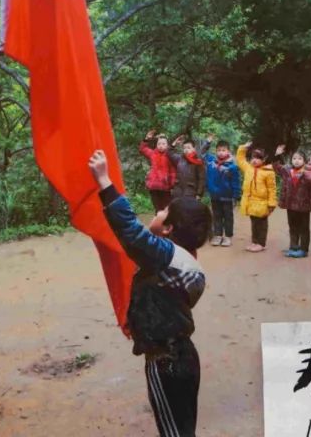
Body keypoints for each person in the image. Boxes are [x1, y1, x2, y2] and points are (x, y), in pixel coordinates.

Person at [88, 149, 209, 437]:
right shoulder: (185, 259)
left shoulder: (166, 256)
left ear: (168, 229)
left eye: (163, 212)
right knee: (182, 429)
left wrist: (104, 181)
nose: (158, 212)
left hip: (166, 363)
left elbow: (131, 232)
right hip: (183, 357)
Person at [273, 145, 311, 259]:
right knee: (292, 226)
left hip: (303, 205)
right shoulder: (287, 170)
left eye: (299, 158)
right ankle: (293, 247)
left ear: (304, 161)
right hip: (290, 204)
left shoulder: (307, 172)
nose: (296, 161)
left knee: (304, 228)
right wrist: (277, 155)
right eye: (294, 158)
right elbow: (277, 167)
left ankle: (304, 249)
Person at [236, 142, 278, 253]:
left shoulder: (268, 172)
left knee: (262, 224)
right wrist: (243, 148)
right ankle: (254, 242)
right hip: (251, 202)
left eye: (258, 158)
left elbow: (272, 189)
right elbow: (240, 160)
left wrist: (271, 203)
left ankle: (261, 243)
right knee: (254, 223)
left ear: (263, 160)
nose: (254, 160)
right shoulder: (248, 168)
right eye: (252, 157)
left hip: (262, 203)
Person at [203, 136, 242, 247]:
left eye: (223, 150)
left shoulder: (232, 167)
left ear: (228, 151)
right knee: (217, 216)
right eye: (219, 150)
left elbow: (236, 182)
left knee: (228, 217)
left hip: (227, 197)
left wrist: (236, 196)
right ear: (216, 151)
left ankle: (228, 236)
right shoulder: (211, 162)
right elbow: (202, 153)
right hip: (214, 196)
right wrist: (207, 143)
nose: (221, 152)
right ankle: (218, 235)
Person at [140, 130, 177, 212]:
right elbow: (143, 149)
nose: (161, 146)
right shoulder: (153, 153)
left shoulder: (169, 155)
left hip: (165, 187)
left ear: (167, 145)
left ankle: (167, 220)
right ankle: (158, 219)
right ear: (156, 145)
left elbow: (173, 172)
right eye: (159, 144)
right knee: (157, 209)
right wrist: (147, 139)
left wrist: (172, 185)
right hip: (153, 186)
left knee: (167, 208)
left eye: (163, 144)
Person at [171, 137, 207, 201]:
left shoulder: (198, 161)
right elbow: (170, 153)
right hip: (178, 191)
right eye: (184, 148)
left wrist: (199, 194)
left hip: (191, 192)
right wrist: (173, 144)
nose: (186, 150)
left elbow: (202, 179)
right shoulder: (179, 158)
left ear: (194, 149)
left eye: (188, 148)